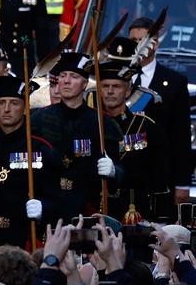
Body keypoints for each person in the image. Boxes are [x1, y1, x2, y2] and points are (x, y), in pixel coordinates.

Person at [0, 76, 55, 275]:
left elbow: (54, 196)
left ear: (24, 107)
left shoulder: (40, 148)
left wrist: (42, 209)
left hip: (21, 235)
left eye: (14, 103)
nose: (6, 109)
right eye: (1, 103)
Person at [31, 52, 123, 221]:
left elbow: (124, 168)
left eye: (73, 76)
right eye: (62, 75)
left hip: (87, 208)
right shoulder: (38, 119)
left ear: (85, 83)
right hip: (47, 207)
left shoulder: (103, 123)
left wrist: (113, 171)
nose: (66, 81)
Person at [96, 52, 170, 222]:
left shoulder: (146, 127)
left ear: (128, 90)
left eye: (116, 86)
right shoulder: (91, 124)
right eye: (105, 86)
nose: (110, 91)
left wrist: (161, 217)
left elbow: (159, 173)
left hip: (134, 210)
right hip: (97, 208)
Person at [126, 18, 192, 205]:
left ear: (155, 43)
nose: (137, 46)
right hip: (124, 174)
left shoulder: (175, 82)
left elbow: (181, 136)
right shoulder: (117, 79)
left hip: (162, 175)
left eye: (142, 41)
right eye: (133, 41)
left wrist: (183, 184)